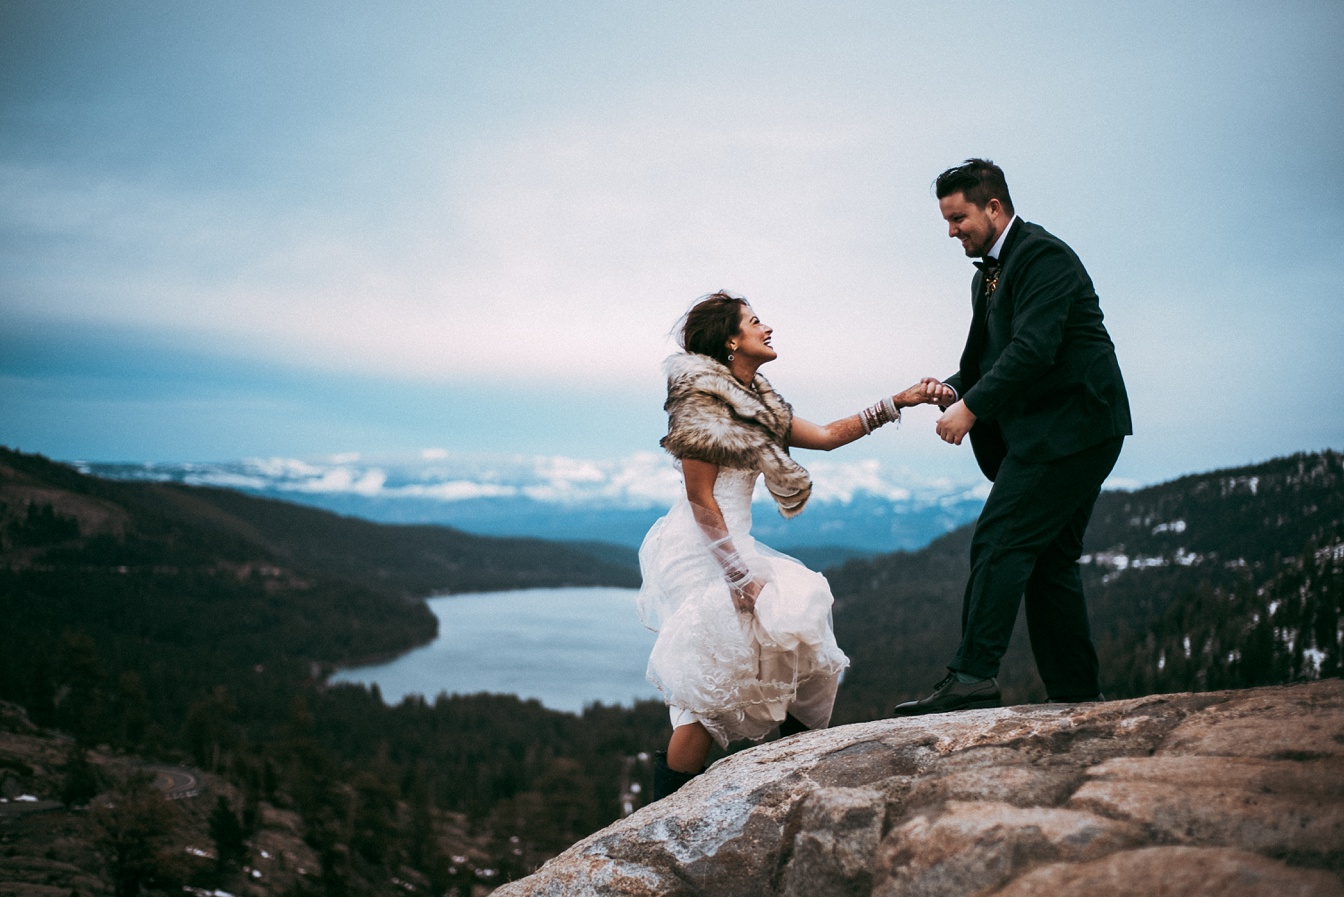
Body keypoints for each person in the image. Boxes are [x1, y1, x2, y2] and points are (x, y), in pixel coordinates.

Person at [639, 291, 938, 799]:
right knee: (711, 688)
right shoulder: (702, 405)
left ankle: (789, 783)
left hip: (734, 543)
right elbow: (699, 498)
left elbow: (823, 435)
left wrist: (897, 402)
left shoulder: (754, 403)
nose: (767, 328)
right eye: (755, 322)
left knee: (805, 643)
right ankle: (661, 815)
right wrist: (736, 574)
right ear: (732, 339)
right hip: (702, 549)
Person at [894, 159, 1132, 716]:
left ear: (993, 208)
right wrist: (951, 390)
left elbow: (1034, 349)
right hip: (1064, 430)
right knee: (1049, 560)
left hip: (1074, 426)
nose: (951, 231)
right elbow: (986, 359)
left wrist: (973, 409)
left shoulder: (1042, 257)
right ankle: (1076, 690)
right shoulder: (988, 274)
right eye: (948, 221)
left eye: (959, 218)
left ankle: (973, 675)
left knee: (1000, 540)